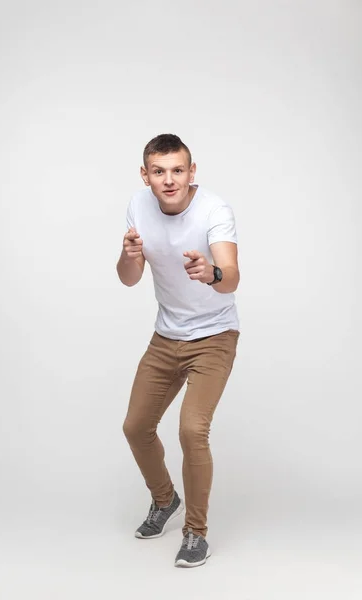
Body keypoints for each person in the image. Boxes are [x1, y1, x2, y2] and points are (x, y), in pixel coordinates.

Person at [117, 133, 240, 568]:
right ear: (146, 175)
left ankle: (195, 531)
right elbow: (129, 278)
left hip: (213, 337)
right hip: (166, 336)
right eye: (159, 171)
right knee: (136, 427)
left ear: (192, 172)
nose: (169, 180)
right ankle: (164, 499)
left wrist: (212, 271)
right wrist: (128, 254)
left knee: (192, 430)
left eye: (177, 170)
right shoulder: (138, 205)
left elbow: (232, 279)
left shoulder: (214, 210)